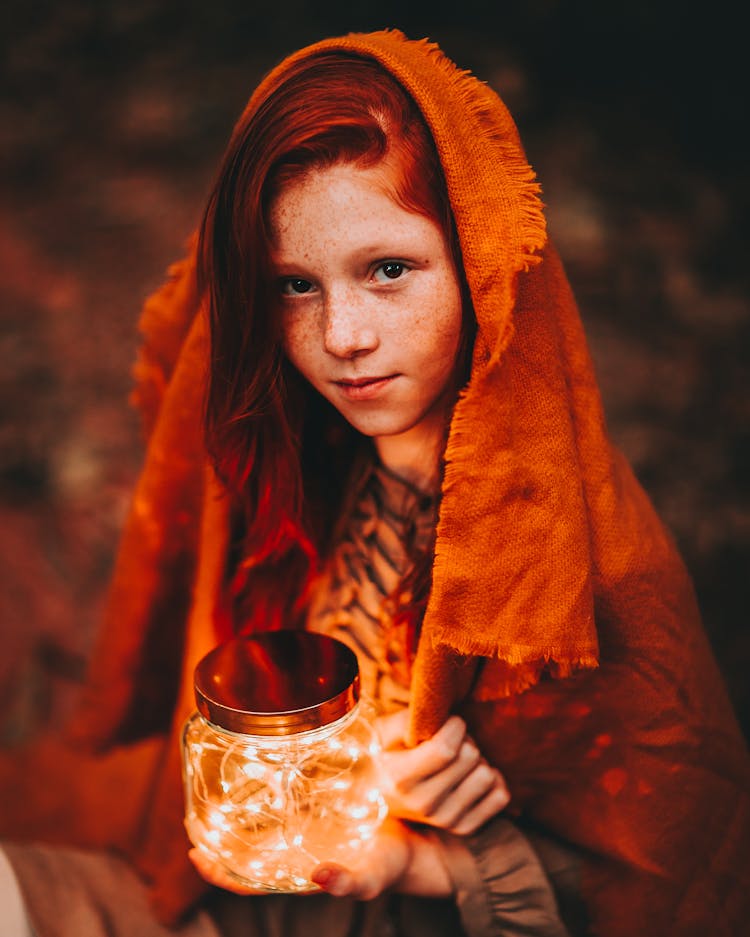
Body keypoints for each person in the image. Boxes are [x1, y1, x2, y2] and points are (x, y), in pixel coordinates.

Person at [1, 28, 749, 937]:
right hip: (223, 901)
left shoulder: (577, 563)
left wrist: (427, 859)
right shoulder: (294, 465)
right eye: (292, 285)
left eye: (388, 270)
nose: (342, 335)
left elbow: (670, 871)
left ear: (478, 266)